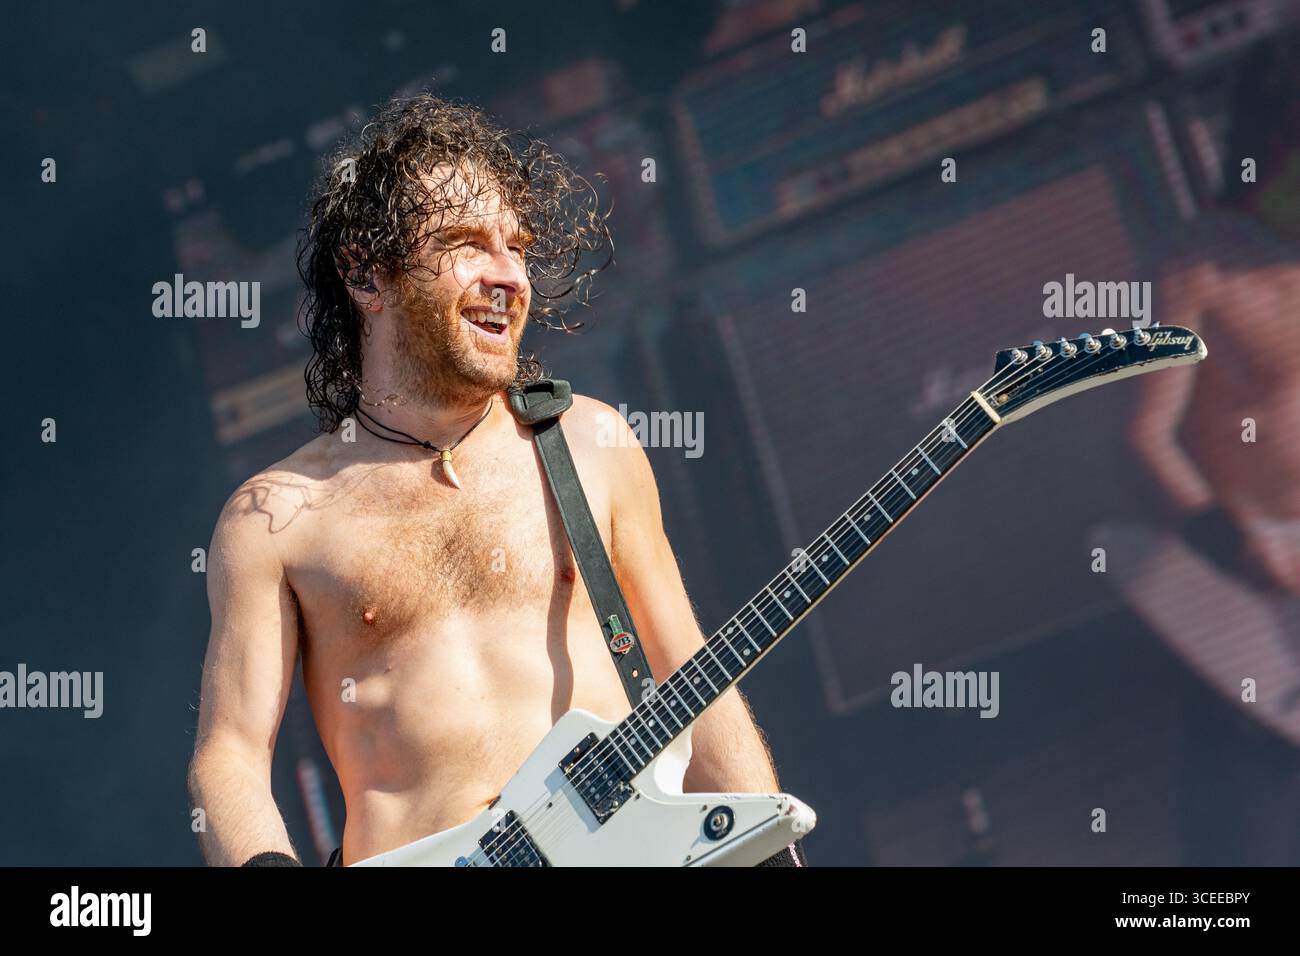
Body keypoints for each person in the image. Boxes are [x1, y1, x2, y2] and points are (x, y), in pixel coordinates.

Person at [186, 94, 806, 867]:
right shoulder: (276, 517)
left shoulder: (591, 441)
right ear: (364, 273)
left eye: (517, 246)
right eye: (466, 243)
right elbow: (231, 758)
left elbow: (694, 678)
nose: (510, 275)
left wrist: (771, 854)